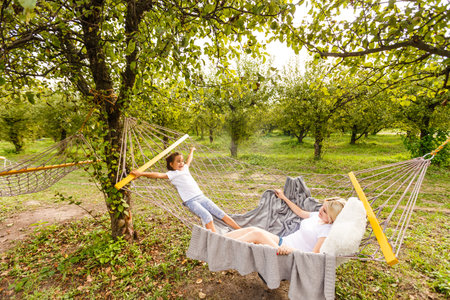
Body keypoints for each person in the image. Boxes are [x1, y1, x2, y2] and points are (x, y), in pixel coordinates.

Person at [130, 147, 241, 233]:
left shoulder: (185, 168)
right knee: (207, 216)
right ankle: (216, 239)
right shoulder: (172, 174)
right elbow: (158, 175)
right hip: (191, 201)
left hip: (201, 197)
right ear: (171, 164)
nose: (181, 163)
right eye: (178, 161)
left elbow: (189, 160)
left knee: (221, 213)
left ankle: (239, 229)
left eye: (182, 161)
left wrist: (191, 150)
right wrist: (141, 174)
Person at [225, 189, 346, 255]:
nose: (320, 210)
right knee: (252, 229)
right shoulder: (317, 216)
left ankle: (222, 247)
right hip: (283, 242)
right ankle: (219, 239)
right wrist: (283, 197)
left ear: (332, 218)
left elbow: (314, 256)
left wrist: (291, 251)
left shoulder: (326, 232)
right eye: (322, 207)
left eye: (324, 211)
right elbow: (300, 212)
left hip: (289, 254)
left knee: (257, 235)